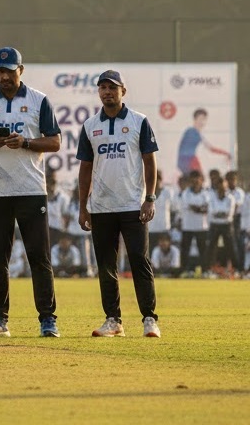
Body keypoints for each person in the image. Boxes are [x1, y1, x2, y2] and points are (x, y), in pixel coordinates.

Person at [0, 47, 61, 338]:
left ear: (21, 69)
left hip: (31, 190)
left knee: (39, 257)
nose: (4, 76)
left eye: (9, 70)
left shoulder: (38, 100)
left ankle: (48, 319)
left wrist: (26, 143)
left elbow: (55, 142)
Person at [76, 70, 161, 338]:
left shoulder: (139, 121)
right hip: (101, 207)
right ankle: (113, 321)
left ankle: (149, 318)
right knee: (106, 265)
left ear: (123, 90)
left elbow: (150, 161)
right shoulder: (90, 126)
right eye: (102, 88)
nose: (106, 92)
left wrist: (149, 198)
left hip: (132, 205)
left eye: (112, 87)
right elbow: (85, 169)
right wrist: (82, 206)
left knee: (139, 261)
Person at [177, 108, 231, 175]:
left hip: (186, 161)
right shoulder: (191, 131)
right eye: (200, 119)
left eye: (204, 119)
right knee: (198, 178)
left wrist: (225, 153)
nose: (202, 122)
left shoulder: (198, 134)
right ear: (195, 119)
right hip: (188, 160)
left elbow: (211, 148)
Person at [178, 170, 211, 276]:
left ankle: (205, 271)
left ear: (202, 180)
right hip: (188, 226)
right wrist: (199, 208)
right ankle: (185, 270)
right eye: (193, 178)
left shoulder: (206, 193)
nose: (196, 180)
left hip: (201, 226)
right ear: (190, 180)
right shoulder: (186, 193)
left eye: (198, 178)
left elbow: (206, 208)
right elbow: (192, 207)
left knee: (203, 251)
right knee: (185, 250)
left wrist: (197, 208)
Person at [206, 174, 236, 277]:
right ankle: (209, 269)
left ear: (226, 186)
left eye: (223, 186)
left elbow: (229, 213)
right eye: (220, 186)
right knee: (211, 247)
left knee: (230, 247)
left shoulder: (230, 198)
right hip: (215, 225)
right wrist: (221, 213)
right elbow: (211, 212)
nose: (221, 188)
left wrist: (219, 213)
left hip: (226, 225)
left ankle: (235, 269)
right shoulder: (212, 197)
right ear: (217, 186)